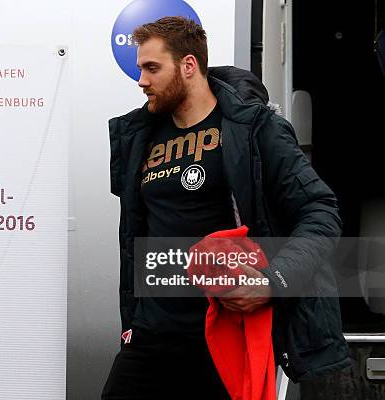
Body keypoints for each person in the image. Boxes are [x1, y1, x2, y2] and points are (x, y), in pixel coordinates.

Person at [102, 16, 350, 399]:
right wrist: (133, 319)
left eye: (152, 68)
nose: (142, 81)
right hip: (151, 336)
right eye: (140, 69)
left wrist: (273, 282)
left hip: (224, 335)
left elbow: (320, 212)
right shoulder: (138, 137)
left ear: (188, 66)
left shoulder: (252, 128)